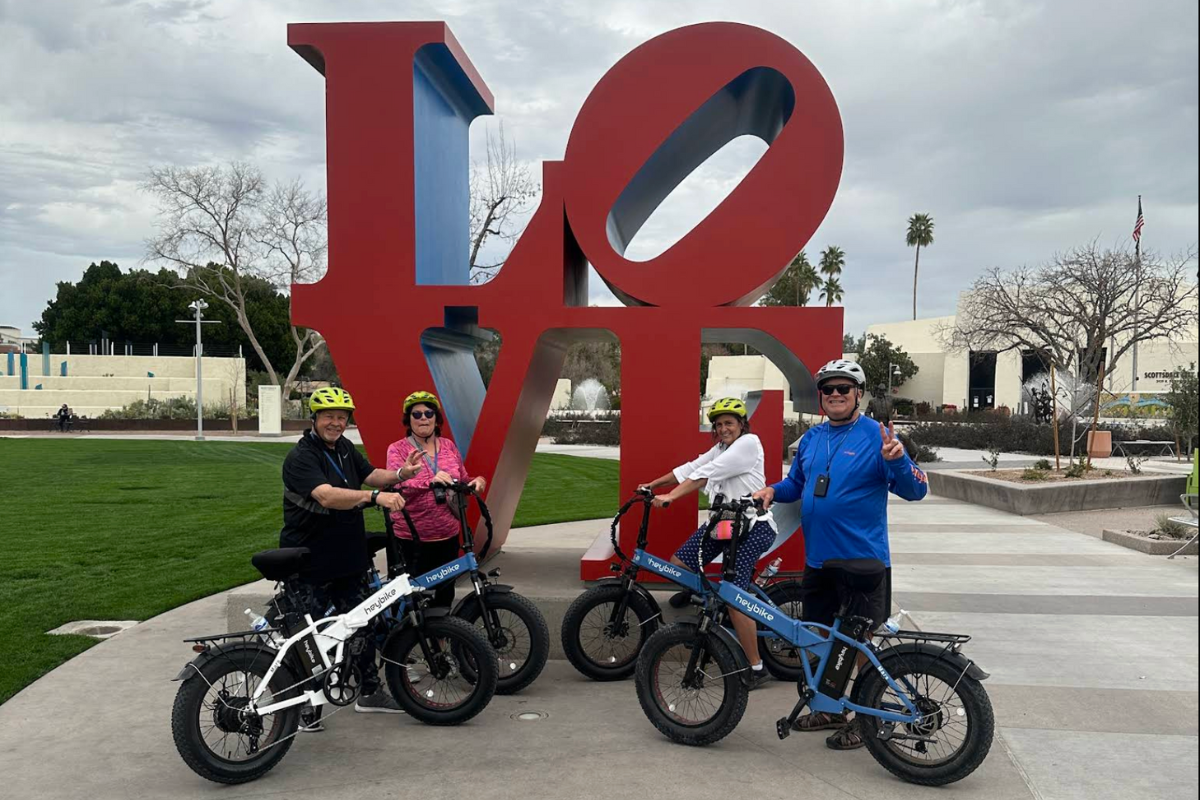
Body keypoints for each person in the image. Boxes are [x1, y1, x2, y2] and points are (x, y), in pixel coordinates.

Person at [753, 359, 929, 750]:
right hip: (819, 561)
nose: (835, 394)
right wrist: (771, 491)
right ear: (821, 397)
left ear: (858, 395)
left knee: (863, 644)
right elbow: (796, 484)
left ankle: (867, 721)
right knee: (819, 639)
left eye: (843, 389)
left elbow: (917, 490)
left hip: (863, 561)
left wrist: (897, 459)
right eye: (828, 389)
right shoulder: (814, 439)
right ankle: (831, 709)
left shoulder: (877, 436)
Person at [278, 386, 409, 720]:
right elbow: (326, 496)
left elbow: (371, 475)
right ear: (315, 419)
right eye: (329, 417)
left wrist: (400, 475)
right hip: (310, 558)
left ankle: (368, 691)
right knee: (309, 637)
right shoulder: (302, 457)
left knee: (361, 624)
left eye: (341, 417)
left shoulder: (346, 448)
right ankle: (306, 705)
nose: (335, 423)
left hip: (348, 556)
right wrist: (373, 497)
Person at [639, 397, 776, 690]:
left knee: (735, 597)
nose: (724, 428)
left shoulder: (749, 444)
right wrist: (653, 485)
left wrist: (672, 497)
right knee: (678, 564)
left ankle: (756, 666)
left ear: (741, 424)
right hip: (725, 524)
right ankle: (712, 601)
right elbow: (690, 468)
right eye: (719, 424)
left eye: (729, 423)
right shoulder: (721, 448)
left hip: (753, 527)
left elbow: (704, 475)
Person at [386, 391, 486, 609]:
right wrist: (430, 482)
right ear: (408, 419)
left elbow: (462, 478)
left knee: (443, 597)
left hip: (447, 537)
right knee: (409, 602)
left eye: (429, 413)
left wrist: (476, 482)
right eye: (417, 414)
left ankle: (441, 641)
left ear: (436, 418)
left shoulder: (449, 446)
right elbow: (396, 484)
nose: (423, 418)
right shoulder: (398, 449)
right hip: (411, 540)